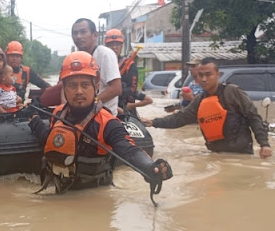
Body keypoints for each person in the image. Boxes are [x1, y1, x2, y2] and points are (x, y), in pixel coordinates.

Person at [27, 51, 173, 192]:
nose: (79, 91)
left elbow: (129, 150)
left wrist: (149, 167)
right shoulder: (58, 113)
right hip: (60, 190)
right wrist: (34, 119)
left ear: (96, 86)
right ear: (63, 88)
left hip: (94, 196)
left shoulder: (107, 123)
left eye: (85, 85)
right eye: (72, 85)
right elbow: (48, 138)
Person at [141, 58, 273, 158]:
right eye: (200, 75)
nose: (204, 79)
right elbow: (180, 118)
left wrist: (264, 144)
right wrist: (153, 122)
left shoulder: (233, 92)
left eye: (208, 74)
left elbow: (253, 116)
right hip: (216, 155)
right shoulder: (200, 100)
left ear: (218, 74)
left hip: (241, 155)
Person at [71, 19, 122, 115]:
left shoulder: (105, 54)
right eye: (75, 33)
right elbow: (64, 87)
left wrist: (89, 103)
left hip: (103, 116)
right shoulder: (74, 58)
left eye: (83, 32)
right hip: (81, 114)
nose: (78, 36)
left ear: (94, 35)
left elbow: (116, 88)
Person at [104, 29, 153, 118]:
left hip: (124, 106)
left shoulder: (129, 64)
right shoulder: (100, 64)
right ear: (106, 46)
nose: (114, 47)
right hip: (106, 105)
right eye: (111, 45)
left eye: (117, 44)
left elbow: (132, 89)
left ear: (121, 46)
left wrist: (113, 91)